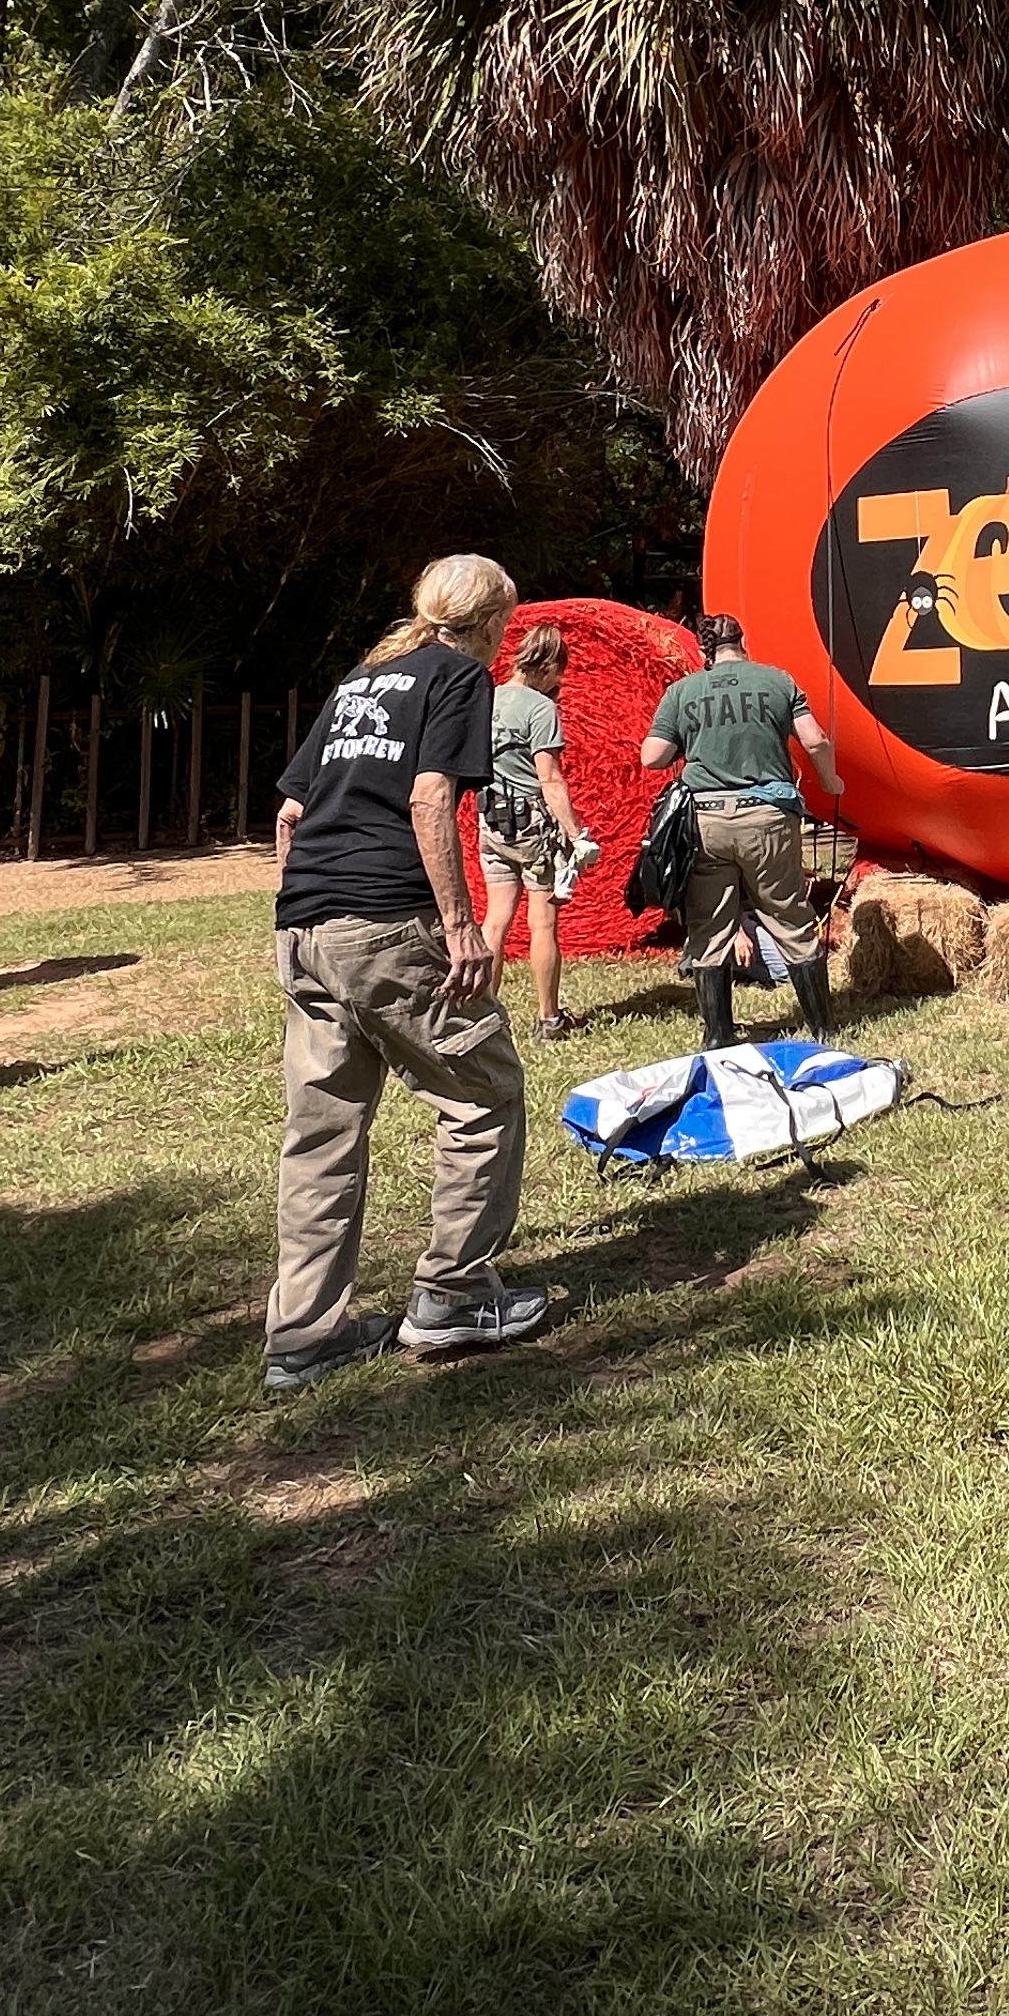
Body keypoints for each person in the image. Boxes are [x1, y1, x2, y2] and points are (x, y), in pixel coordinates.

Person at [261, 553, 561, 1394]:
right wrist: (460, 926)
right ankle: (454, 1295)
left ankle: (302, 1335)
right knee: (482, 1092)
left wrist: (305, 907)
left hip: (308, 926)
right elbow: (431, 799)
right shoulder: (457, 675)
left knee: (322, 1133)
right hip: (388, 921)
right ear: (495, 618)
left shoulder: (365, 676)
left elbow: (290, 809)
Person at [637, 611, 845, 1049]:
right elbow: (816, 740)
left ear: (704, 648)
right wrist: (830, 781)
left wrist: (689, 742)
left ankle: (718, 1035)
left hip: (706, 822)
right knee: (789, 915)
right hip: (767, 818)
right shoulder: (777, 681)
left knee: (709, 927)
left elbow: (652, 757)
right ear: (742, 642)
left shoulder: (683, 691)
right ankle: (823, 1028)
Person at [479, 625, 587, 1041]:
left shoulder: (487, 699)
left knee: (496, 920)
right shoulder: (540, 709)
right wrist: (576, 833)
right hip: (531, 826)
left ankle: (485, 1016)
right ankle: (548, 1018)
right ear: (547, 667)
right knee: (542, 923)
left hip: (491, 820)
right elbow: (550, 778)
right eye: (558, 674)